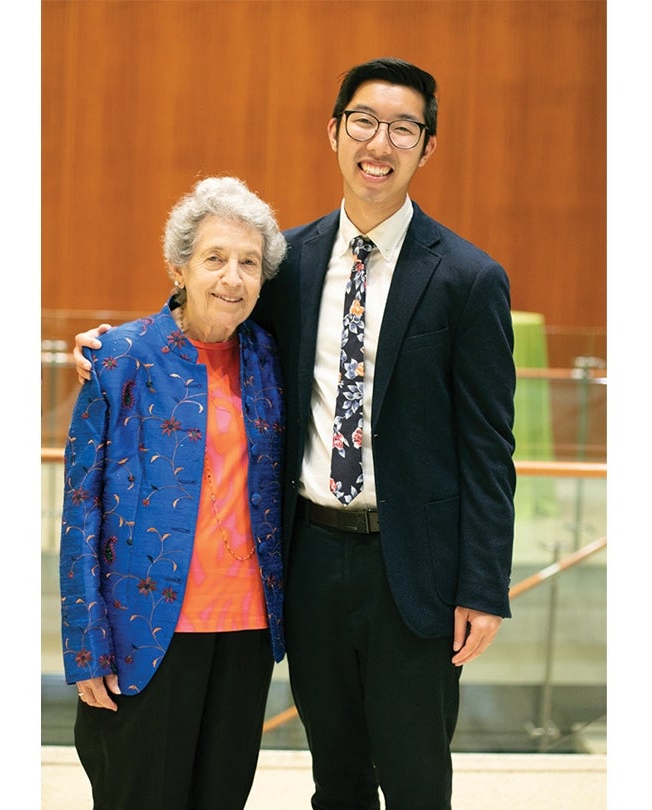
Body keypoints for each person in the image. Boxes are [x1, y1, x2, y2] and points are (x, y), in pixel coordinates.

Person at [73, 58, 516, 809]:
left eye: (403, 128)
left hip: (415, 574)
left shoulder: (468, 279)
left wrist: (483, 586)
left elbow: (488, 450)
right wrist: (117, 347)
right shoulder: (293, 264)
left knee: (415, 781)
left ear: (427, 147)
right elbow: (214, 311)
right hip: (309, 560)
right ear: (335, 132)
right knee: (335, 778)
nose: (381, 142)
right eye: (365, 123)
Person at [59, 175, 289, 810]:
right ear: (179, 266)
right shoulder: (120, 357)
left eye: (248, 263)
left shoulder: (273, 357)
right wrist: (86, 646)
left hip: (247, 631)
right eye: (214, 258)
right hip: (145, 629)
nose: (232, 278)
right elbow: (80, 510)